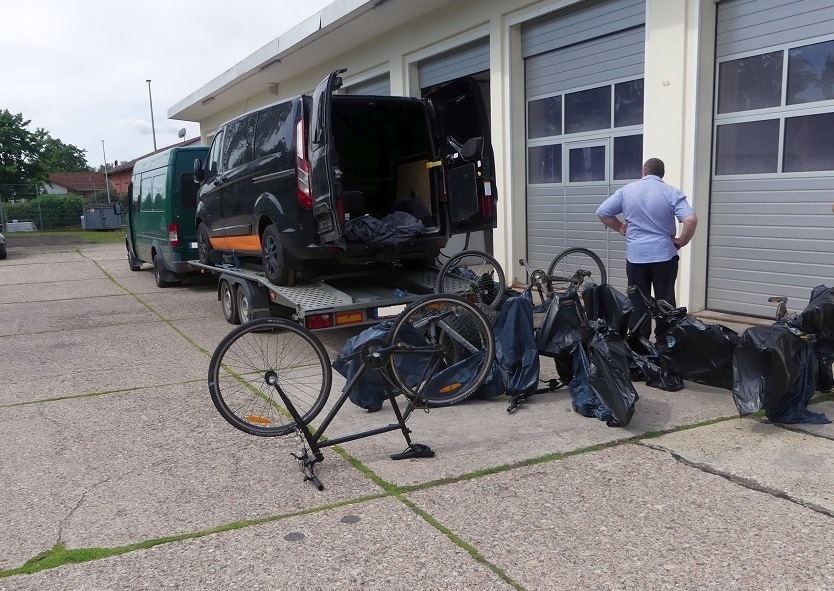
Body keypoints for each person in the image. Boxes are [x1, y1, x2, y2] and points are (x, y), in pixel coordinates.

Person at [596, 157, 697, 339]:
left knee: (637, 302)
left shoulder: (626, 191)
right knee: (665, 301)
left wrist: (619, 227)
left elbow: (603, 212)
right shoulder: (671, 192)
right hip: (664, 257)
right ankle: (667, 343)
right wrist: (682, 241)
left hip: (636, 258)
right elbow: (690, 220)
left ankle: (640, 346)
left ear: (644, 171)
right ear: (662, 174)